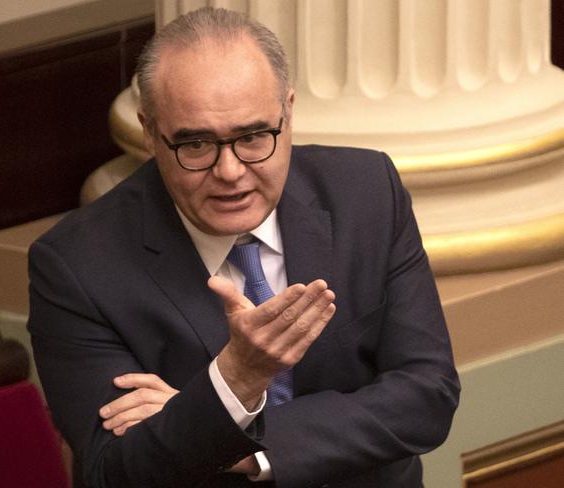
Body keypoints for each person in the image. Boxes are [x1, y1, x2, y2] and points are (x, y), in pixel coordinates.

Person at [27, 7, 460, 488]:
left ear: (288, 112)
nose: (230, 172)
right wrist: (235, 378)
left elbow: (427, 396)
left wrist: (235, 432)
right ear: (151, 133)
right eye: (195, 145)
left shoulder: (366, 192)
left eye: (254, 137)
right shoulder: (76, 265)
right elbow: (116, 470)